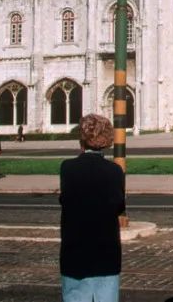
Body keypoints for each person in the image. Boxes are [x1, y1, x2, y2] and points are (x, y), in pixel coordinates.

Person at [59, 113, 125, 302]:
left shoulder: (68, 168)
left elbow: (66, 200)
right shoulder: (114, 170)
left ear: (82, 138)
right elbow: (119, 206)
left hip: (75, 251)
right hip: (106, 252)